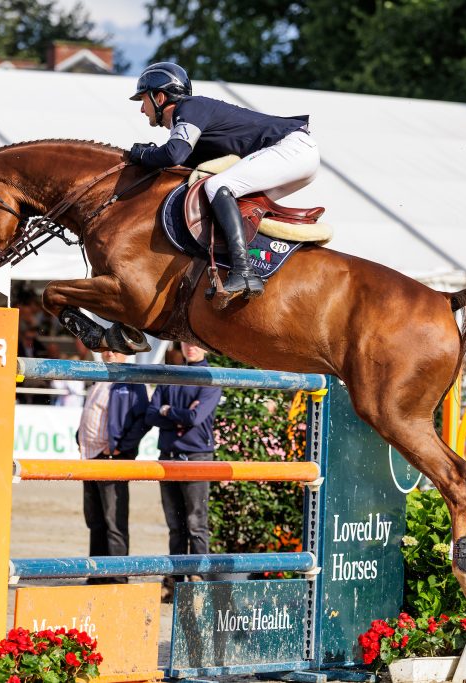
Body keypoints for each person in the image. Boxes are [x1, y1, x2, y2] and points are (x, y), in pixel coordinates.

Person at [127, 62, 320, 304]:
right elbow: (180, 165)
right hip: (295, 155)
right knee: (224, 197)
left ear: (160, 96)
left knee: (217, 187)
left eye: (143, 100)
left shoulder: (189, 108)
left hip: (292, 149)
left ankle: (244, 271)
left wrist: (142, 155)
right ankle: (254, 262)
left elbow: (173, 154)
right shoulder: (191, 121)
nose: (142, 110)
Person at [145, 342, 222, 600]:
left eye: (197, 343)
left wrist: (168, 411)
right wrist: (177, 413)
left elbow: (195, 418)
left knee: (195, 522)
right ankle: (177, 578)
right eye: (186, 341)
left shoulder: (211, 379)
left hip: (196, 456)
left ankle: (198, 579)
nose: (191, 347)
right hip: (170, 456)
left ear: (207, 348)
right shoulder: (172, 375)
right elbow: (151, 414)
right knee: (176, 525)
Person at [77, 350, 151, 583]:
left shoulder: (132, 380)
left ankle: (117, 577)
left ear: (126, 354)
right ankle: (97, 574)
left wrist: (121, 448)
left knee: (113, 520)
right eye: (107, 348)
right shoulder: (100, 377)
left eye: (116, 349)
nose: (109, 352)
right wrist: (79, 437)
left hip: (110, 458)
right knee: (95, 519)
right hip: (91, 457)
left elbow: (143, 419)